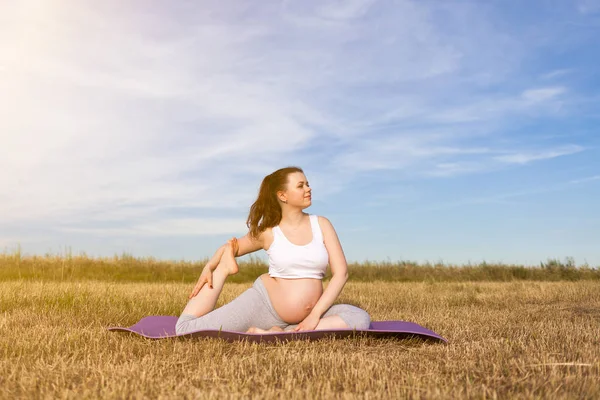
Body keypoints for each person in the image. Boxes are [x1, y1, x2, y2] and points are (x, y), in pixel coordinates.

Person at [175, 166, 371, 335]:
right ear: (282, 195)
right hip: (263, 306)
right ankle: (225, 269)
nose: (308, 189)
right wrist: (211, 265)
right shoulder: (270, 232)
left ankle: (281, 332)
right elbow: (232, 247)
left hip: (309, 314)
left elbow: (341, 273)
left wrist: (314, 316)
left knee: (359, 318)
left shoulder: (322, 224)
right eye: (301, 185)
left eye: (308, 184)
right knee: (186, 329)